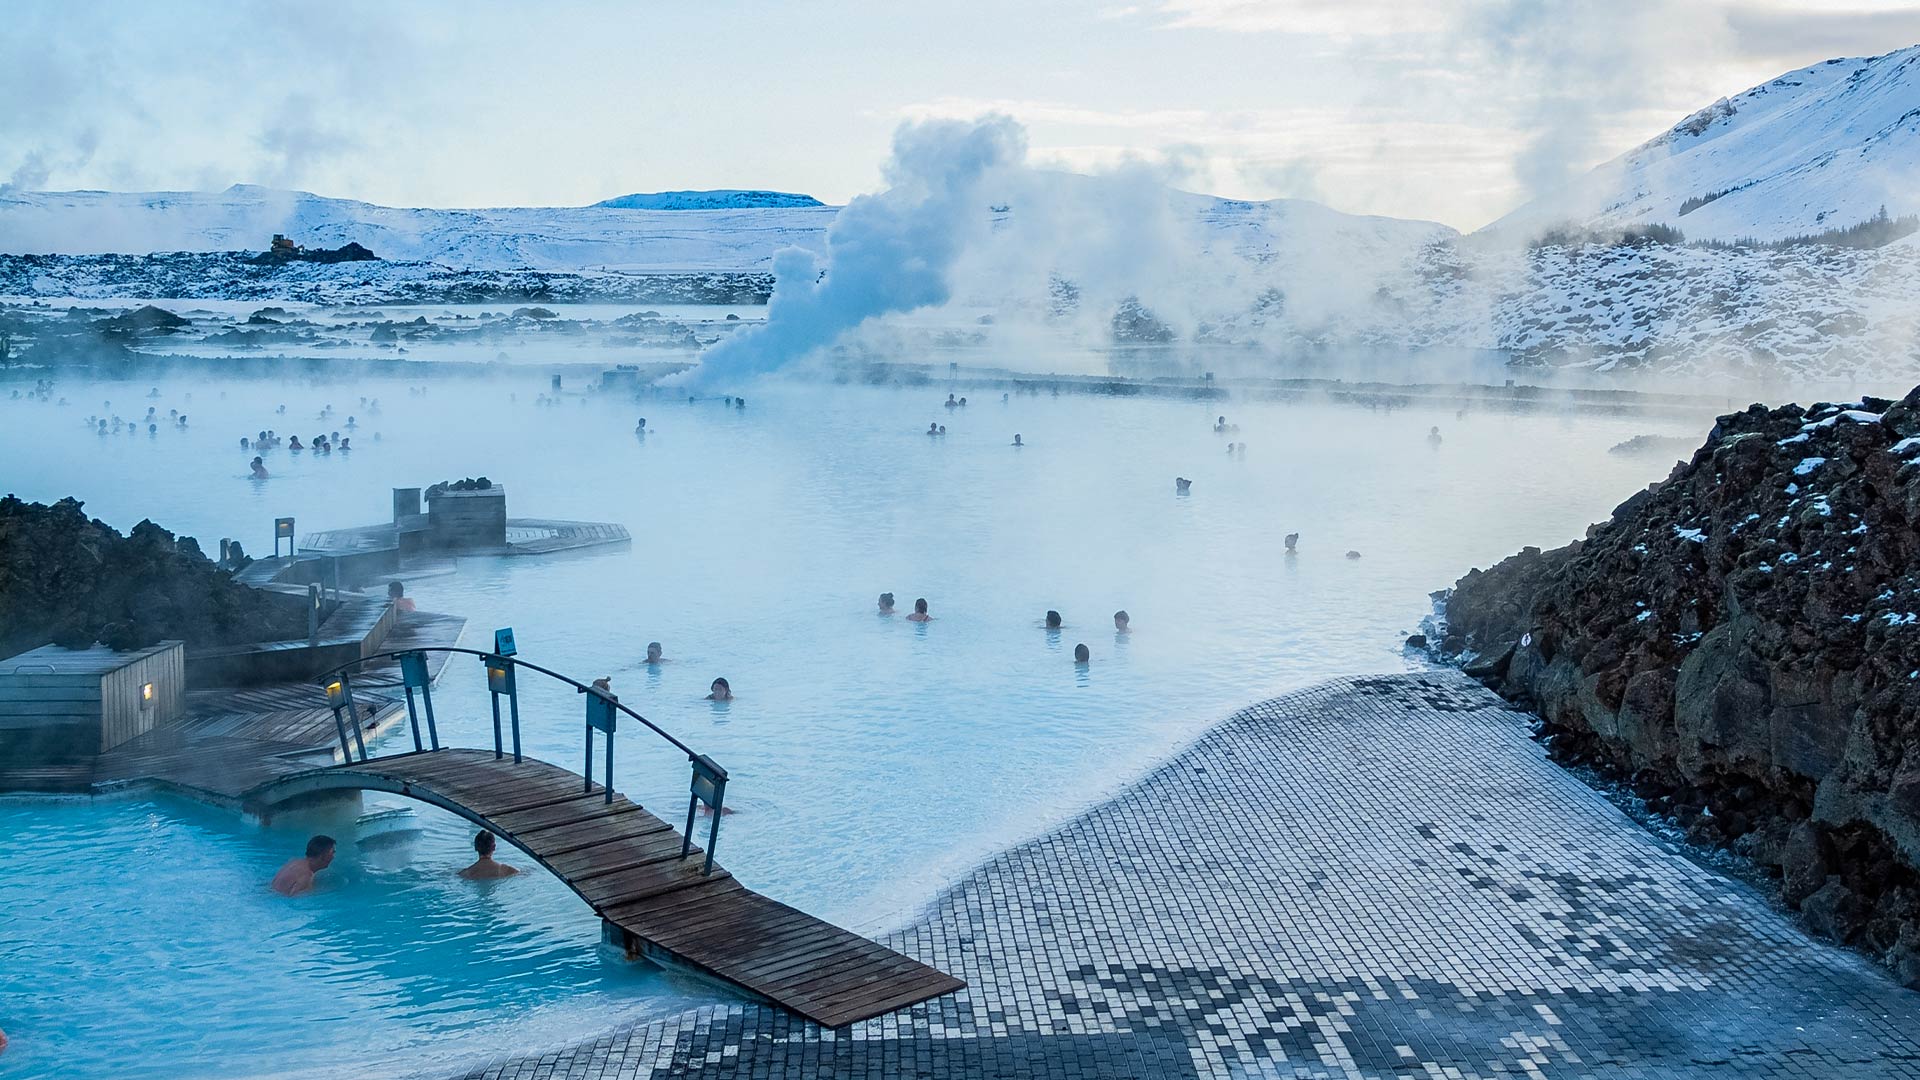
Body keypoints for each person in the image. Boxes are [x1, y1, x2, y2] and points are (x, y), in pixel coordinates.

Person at [271, 835, 336, 896]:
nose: (333, 857)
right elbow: (295, 901)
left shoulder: (294, 862)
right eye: (332, 853)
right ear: (322, 855)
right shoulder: (306, 876)